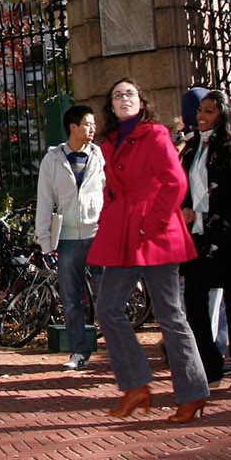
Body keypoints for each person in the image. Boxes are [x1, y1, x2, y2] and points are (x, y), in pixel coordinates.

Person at [89, 80, 210, 423]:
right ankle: (136, 386)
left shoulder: (155, 134)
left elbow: (176, 182)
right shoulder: (109, 143)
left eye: (129, 93)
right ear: (110, 107)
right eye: (117, 95)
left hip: (156, 233)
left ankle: (192, 394)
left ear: (141, 102)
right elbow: (112, 190)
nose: (123, 98)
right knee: (108, 308)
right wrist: (108, 219)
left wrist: (152, 224)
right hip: (124, 234)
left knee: (171, 316)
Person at [179, 91, 231, 390]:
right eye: (200, 110)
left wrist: (222, 219)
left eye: (210, 111)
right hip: (199, 238)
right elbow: (184, 188)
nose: (201, 116)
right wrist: (186, 209)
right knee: (193, 302)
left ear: (223, 115)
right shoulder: (190, 149)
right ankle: (210, 365)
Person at [35, 103, 106, 372]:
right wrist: (44, 241)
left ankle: (116, 348)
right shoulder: (53, 159)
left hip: (98, 233)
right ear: (73, 127)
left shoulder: (100, 157)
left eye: (94, 124)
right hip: (67, 239)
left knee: (107, 296)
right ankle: (79, 350)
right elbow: (44, 200)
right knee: (71, 298)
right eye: (87, 124)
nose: (92, 129)